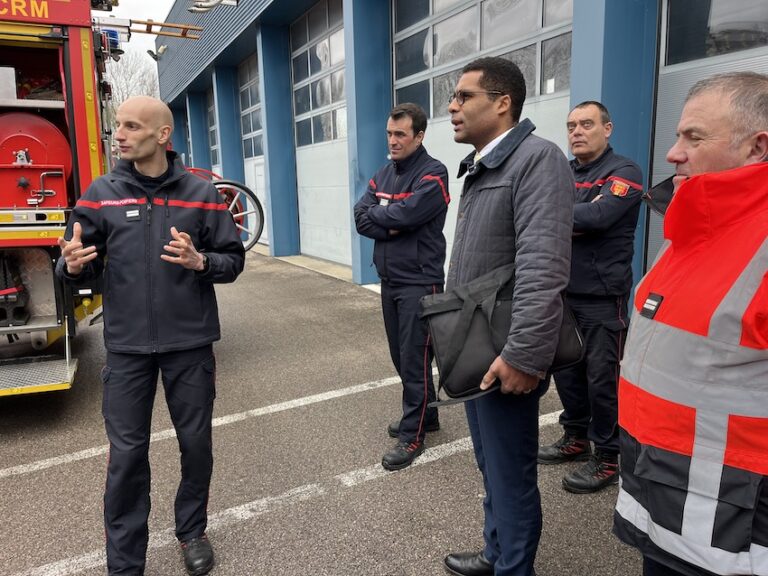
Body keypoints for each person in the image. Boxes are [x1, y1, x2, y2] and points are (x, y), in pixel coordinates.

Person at [56, 96, 245, 576]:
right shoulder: (100, 193)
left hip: (190, 346)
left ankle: (191, 531)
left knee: (196, 444)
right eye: (117, 125)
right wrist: (70, 266)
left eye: (132, 126)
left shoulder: (201, 195)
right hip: (126, 349)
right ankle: (125, 563)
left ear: (163, 135)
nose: (119, 134)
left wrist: (202, 262)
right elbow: (76, 263)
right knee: (126, 457)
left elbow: (233, 260)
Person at [613, 71, 768, 576]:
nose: (673, 153)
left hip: (730, 532)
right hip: (659, 499)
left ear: (757, 147)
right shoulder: (689, 225)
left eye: (694, 138)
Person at [442, 57, 573, 576]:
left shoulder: (538, 159)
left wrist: (523, 354)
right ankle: (496, 552)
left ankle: (513, 569)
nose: (452, 107)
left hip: (505, 350)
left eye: (463, 97)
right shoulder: (485, 164)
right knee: (489, 465)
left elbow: (543, 267)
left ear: (502, 103)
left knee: (510, 472)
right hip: (477, 343)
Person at [538, 101, 643, 494]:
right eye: (571, 126)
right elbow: (551, 216)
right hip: (563, 292)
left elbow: (598, 219)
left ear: (607, 128)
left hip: (603, 296)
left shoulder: (624, 172)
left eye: (586, 124)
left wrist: (555, 217)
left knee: (603, 379)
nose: (576, 132)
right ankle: (576, 439)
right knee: (568, 372)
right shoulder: (564, 173)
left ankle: (609, 456)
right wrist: (569, 216)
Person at [353, 102, 450, 471]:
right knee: (401, 354)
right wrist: (391, 222)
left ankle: (413, 435)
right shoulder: (384, 174)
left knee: (414, 358)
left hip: (419, 282)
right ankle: (428, 415)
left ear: (419, 136)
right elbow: (361, 216)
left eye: (400, 135)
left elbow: (409, 214)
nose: (393, 141)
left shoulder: (433, 174)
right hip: (390, 280)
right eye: (390, 134)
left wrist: (392, 219)